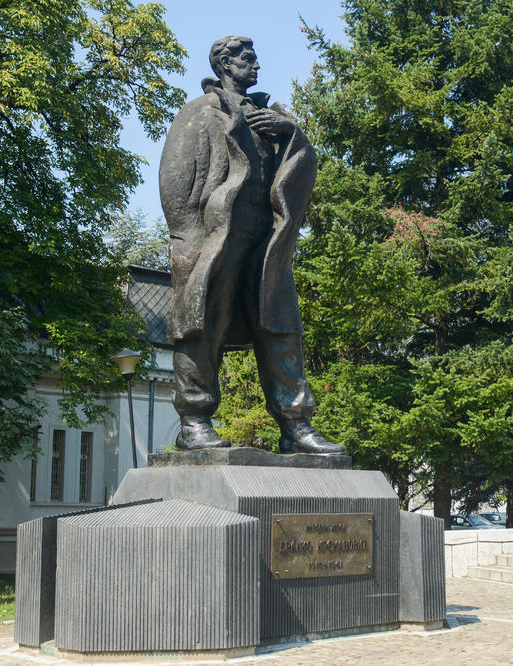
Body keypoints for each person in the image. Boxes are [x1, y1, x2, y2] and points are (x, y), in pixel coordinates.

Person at [158, 35, 344, 455]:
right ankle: (195, 420)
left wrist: (292, 133)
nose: (256, 66)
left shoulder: (269, 116)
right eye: (247, 59)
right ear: (225, 63)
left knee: (282, 326)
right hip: (218, 235)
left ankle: (296, 425)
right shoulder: (200, 112)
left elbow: (300, 167)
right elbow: (174, 179)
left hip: (267, 234)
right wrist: (189, 241)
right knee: (202, 324)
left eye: (256, 58)